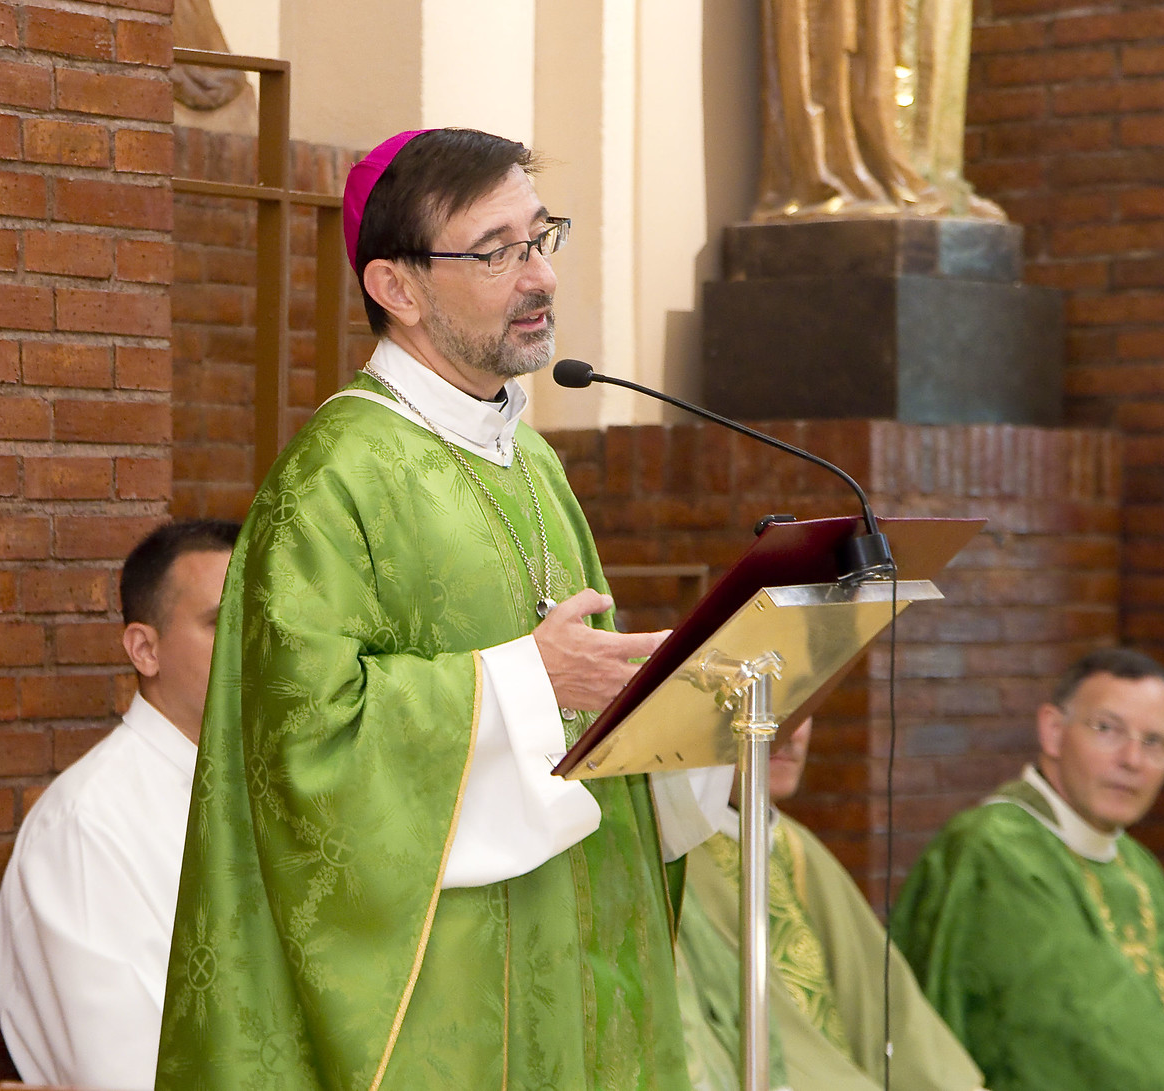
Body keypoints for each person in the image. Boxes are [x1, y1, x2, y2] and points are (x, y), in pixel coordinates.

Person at [156, 128, 732, 1090]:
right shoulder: (333, 476)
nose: (539, 274)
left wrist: (671, 696)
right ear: (397, 287)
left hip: (569, 951)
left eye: (542, 236)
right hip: (445, 999)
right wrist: (522, 683)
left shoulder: (532, 461)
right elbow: (301, 752)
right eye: (497, 251)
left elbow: (581, 693)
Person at [892, 649, 1164, 1091]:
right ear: (1053, 731)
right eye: (1108, 730)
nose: (1132, 760)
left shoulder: (1130, 861)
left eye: (1155, 743)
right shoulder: (994, 851)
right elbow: (1084, 1033)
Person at [0, 519, 239, 1089]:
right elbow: (125, 1071)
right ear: (145, 649)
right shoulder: (86, 826)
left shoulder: (266, 794)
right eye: (224, 623)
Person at [677, 717, 984, 1091]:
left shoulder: (798, 847)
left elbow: (895, 1017)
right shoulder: (673, 859)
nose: (790, 731)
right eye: (763, 701)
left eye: (804, 704)